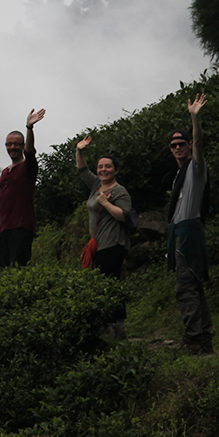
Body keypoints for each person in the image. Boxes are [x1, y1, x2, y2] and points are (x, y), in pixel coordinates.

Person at [167, 93, 215, 355]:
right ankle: (203, 339)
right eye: (173, 144)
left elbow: (199, 145)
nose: (178, 147)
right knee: (194, 287)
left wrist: (194, 119)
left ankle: (193, 340)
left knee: (186, 288)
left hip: (189, 233)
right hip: (182, 232)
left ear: (187, 144)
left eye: (181, 143)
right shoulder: (179, 173)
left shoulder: (196, 169)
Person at [75, 136, 134, 338]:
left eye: (108, 167)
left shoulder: (119, 190)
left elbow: (125, 215)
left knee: (111, 283)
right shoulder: (95, 186)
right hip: (98, 245)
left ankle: (117, 325)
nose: (103, 170)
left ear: (115, 170)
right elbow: (82, 170)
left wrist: (106, 203)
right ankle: (106, 324)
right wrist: (79, 150)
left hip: (114, 243)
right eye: (100, 167)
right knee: (99, 284)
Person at [0, 108, 45, 269]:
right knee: (3, 271)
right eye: (9, 144)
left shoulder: (28, 167)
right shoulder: (5, 172)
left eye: (16, 144)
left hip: (21, 227)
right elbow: (1, 202)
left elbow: (30, 152)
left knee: (17, 270)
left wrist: (29, 128)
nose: (12, 147)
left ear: (22, 146)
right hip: (4, 229)